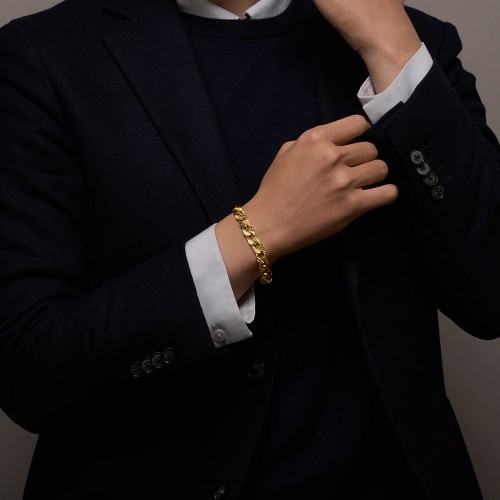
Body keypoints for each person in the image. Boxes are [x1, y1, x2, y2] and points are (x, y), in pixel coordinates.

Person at [0, 0, 499, 498]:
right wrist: (256, 232)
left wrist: (393, 50)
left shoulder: (409, 39)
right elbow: (28, 369)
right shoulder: (43, 55)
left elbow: (491, 296)